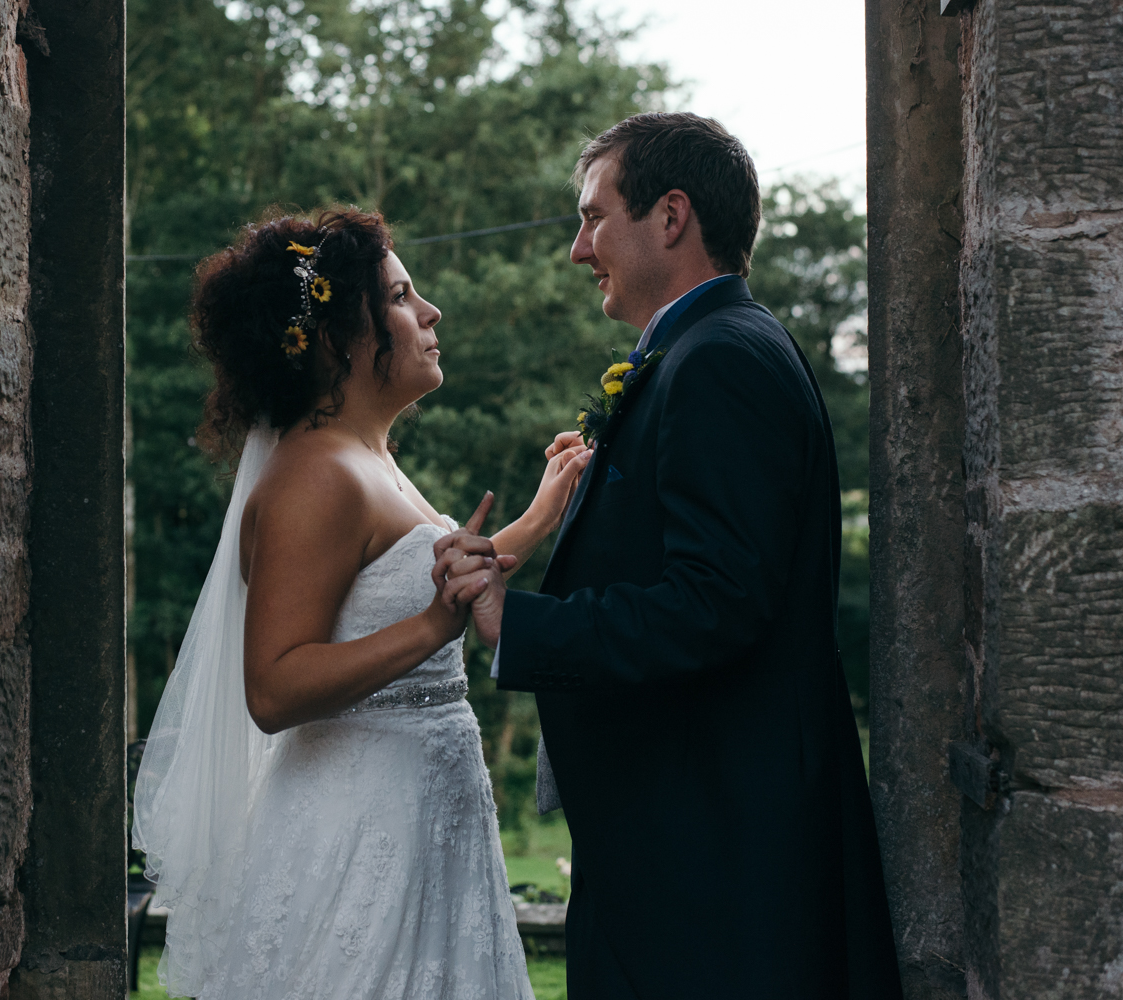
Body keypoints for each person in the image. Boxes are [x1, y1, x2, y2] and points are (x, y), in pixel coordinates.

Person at [435, 113, 904, 997]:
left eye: (592, 217)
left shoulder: (721, 357)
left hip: (716, 859)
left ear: (671, 215)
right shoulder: (698, 350)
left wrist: (518, 621)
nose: (579, 249)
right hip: (684, 836)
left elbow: (716, 599)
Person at [131, 207, 588, 999]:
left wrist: (538, 518)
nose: (431, 312)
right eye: (405, 297)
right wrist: (430, 627)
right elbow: (274, 687)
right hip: (357, 829)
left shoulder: (365, 459)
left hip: (423, 817)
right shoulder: (317, 475)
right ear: (341, 336)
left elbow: (402, 586)